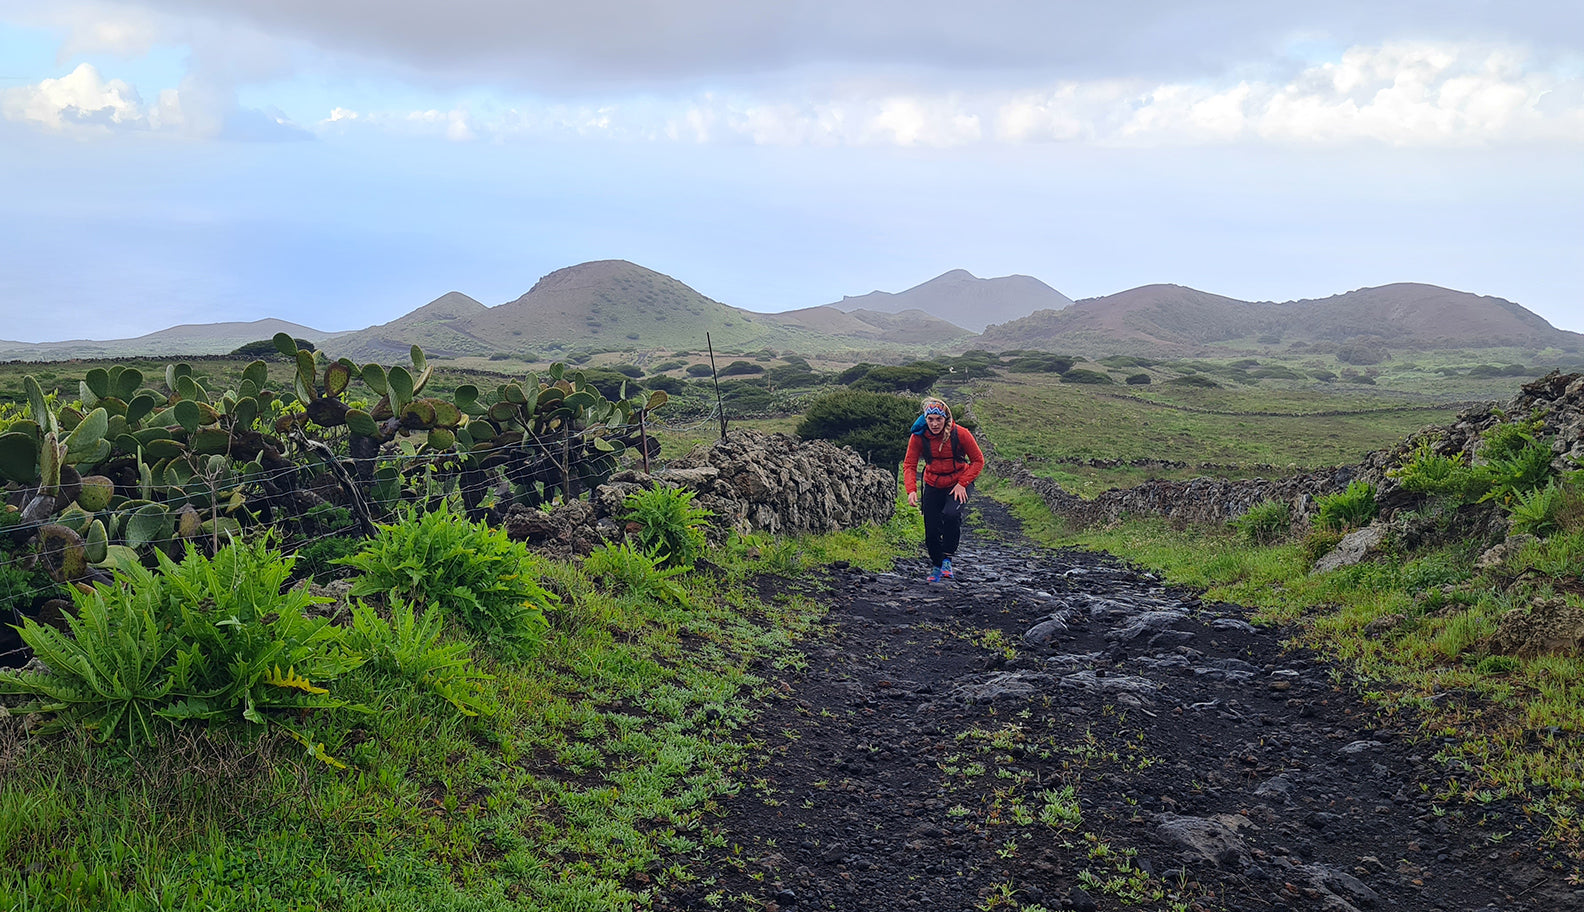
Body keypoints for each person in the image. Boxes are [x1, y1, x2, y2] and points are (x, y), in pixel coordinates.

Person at [902, 397, 985, 583]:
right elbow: (909, 464)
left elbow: (978, 461)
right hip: (932, 483)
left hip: (958, 482)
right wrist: (911, 490)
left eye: (938, 419)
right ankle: (937, 564)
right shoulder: (918, 437)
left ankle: (947, 558)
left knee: (951, 515)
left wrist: (963, 483)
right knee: (931, 530)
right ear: (925, 419)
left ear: (946, 418)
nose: (934, 424)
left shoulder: (961, 434)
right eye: (930, 419)